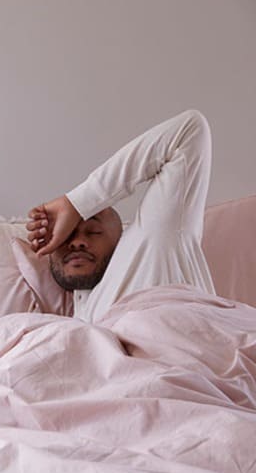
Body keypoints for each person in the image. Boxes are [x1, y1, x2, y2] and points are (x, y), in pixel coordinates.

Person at [26, 109, 216, 323]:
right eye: (65, 236)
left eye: (93, 231)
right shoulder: (64, 329)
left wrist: (76, 204)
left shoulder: (150, 244)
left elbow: (190, 130)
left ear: (121, 239)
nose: (77, 242)